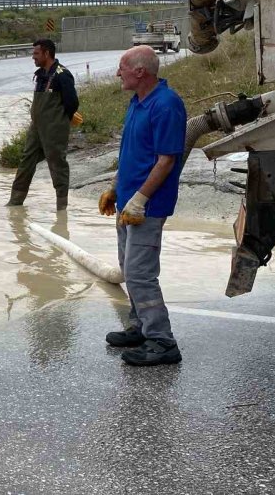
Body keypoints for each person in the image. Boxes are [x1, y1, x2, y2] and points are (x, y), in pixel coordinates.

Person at [98, 46, 187, 366]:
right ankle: (140, 326)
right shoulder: (138, 102)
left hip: (147, 206)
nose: (117, 73)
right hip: (128, 203)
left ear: (140, 71)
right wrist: (115, 188)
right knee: (128, 266)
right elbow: (131, 153)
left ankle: (162, 341)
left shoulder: (166, 105)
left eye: (121, 67)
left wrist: (139, 200)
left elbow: (166, 161)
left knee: (140, 274)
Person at [7, 39, 80, 211]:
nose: (33, 57)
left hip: (55, 128)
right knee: (26, 160)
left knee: (57, 164)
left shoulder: (63, 74)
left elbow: (72, 103)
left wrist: (61, 120)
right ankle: (15, 201)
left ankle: (61, 208)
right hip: (37, 127)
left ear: (47, 53)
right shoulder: (40, 74)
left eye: (36, 53)